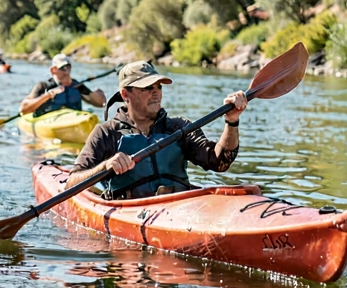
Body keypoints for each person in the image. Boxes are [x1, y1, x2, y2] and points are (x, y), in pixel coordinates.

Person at [65, 60, 246, 199]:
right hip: (131, 213)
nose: (156, 92)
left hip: (180, 208)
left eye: (159, 87)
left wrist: (231, 122)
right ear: (125, 94)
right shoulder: (106, 133)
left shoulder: (178, 127)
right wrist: (105, 166)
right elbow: (71, 184)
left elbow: (220, 162)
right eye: (147, 88)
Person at [20, 53, 107, 116]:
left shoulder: (77, 86)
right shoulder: (44, 86)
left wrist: (87, 91)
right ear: (53, 70)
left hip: (73, 120)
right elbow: (23, 109)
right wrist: (47, 95)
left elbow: (100, 103)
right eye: (63, 68)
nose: (67, 71)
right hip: (49, 120)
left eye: (69, 67)